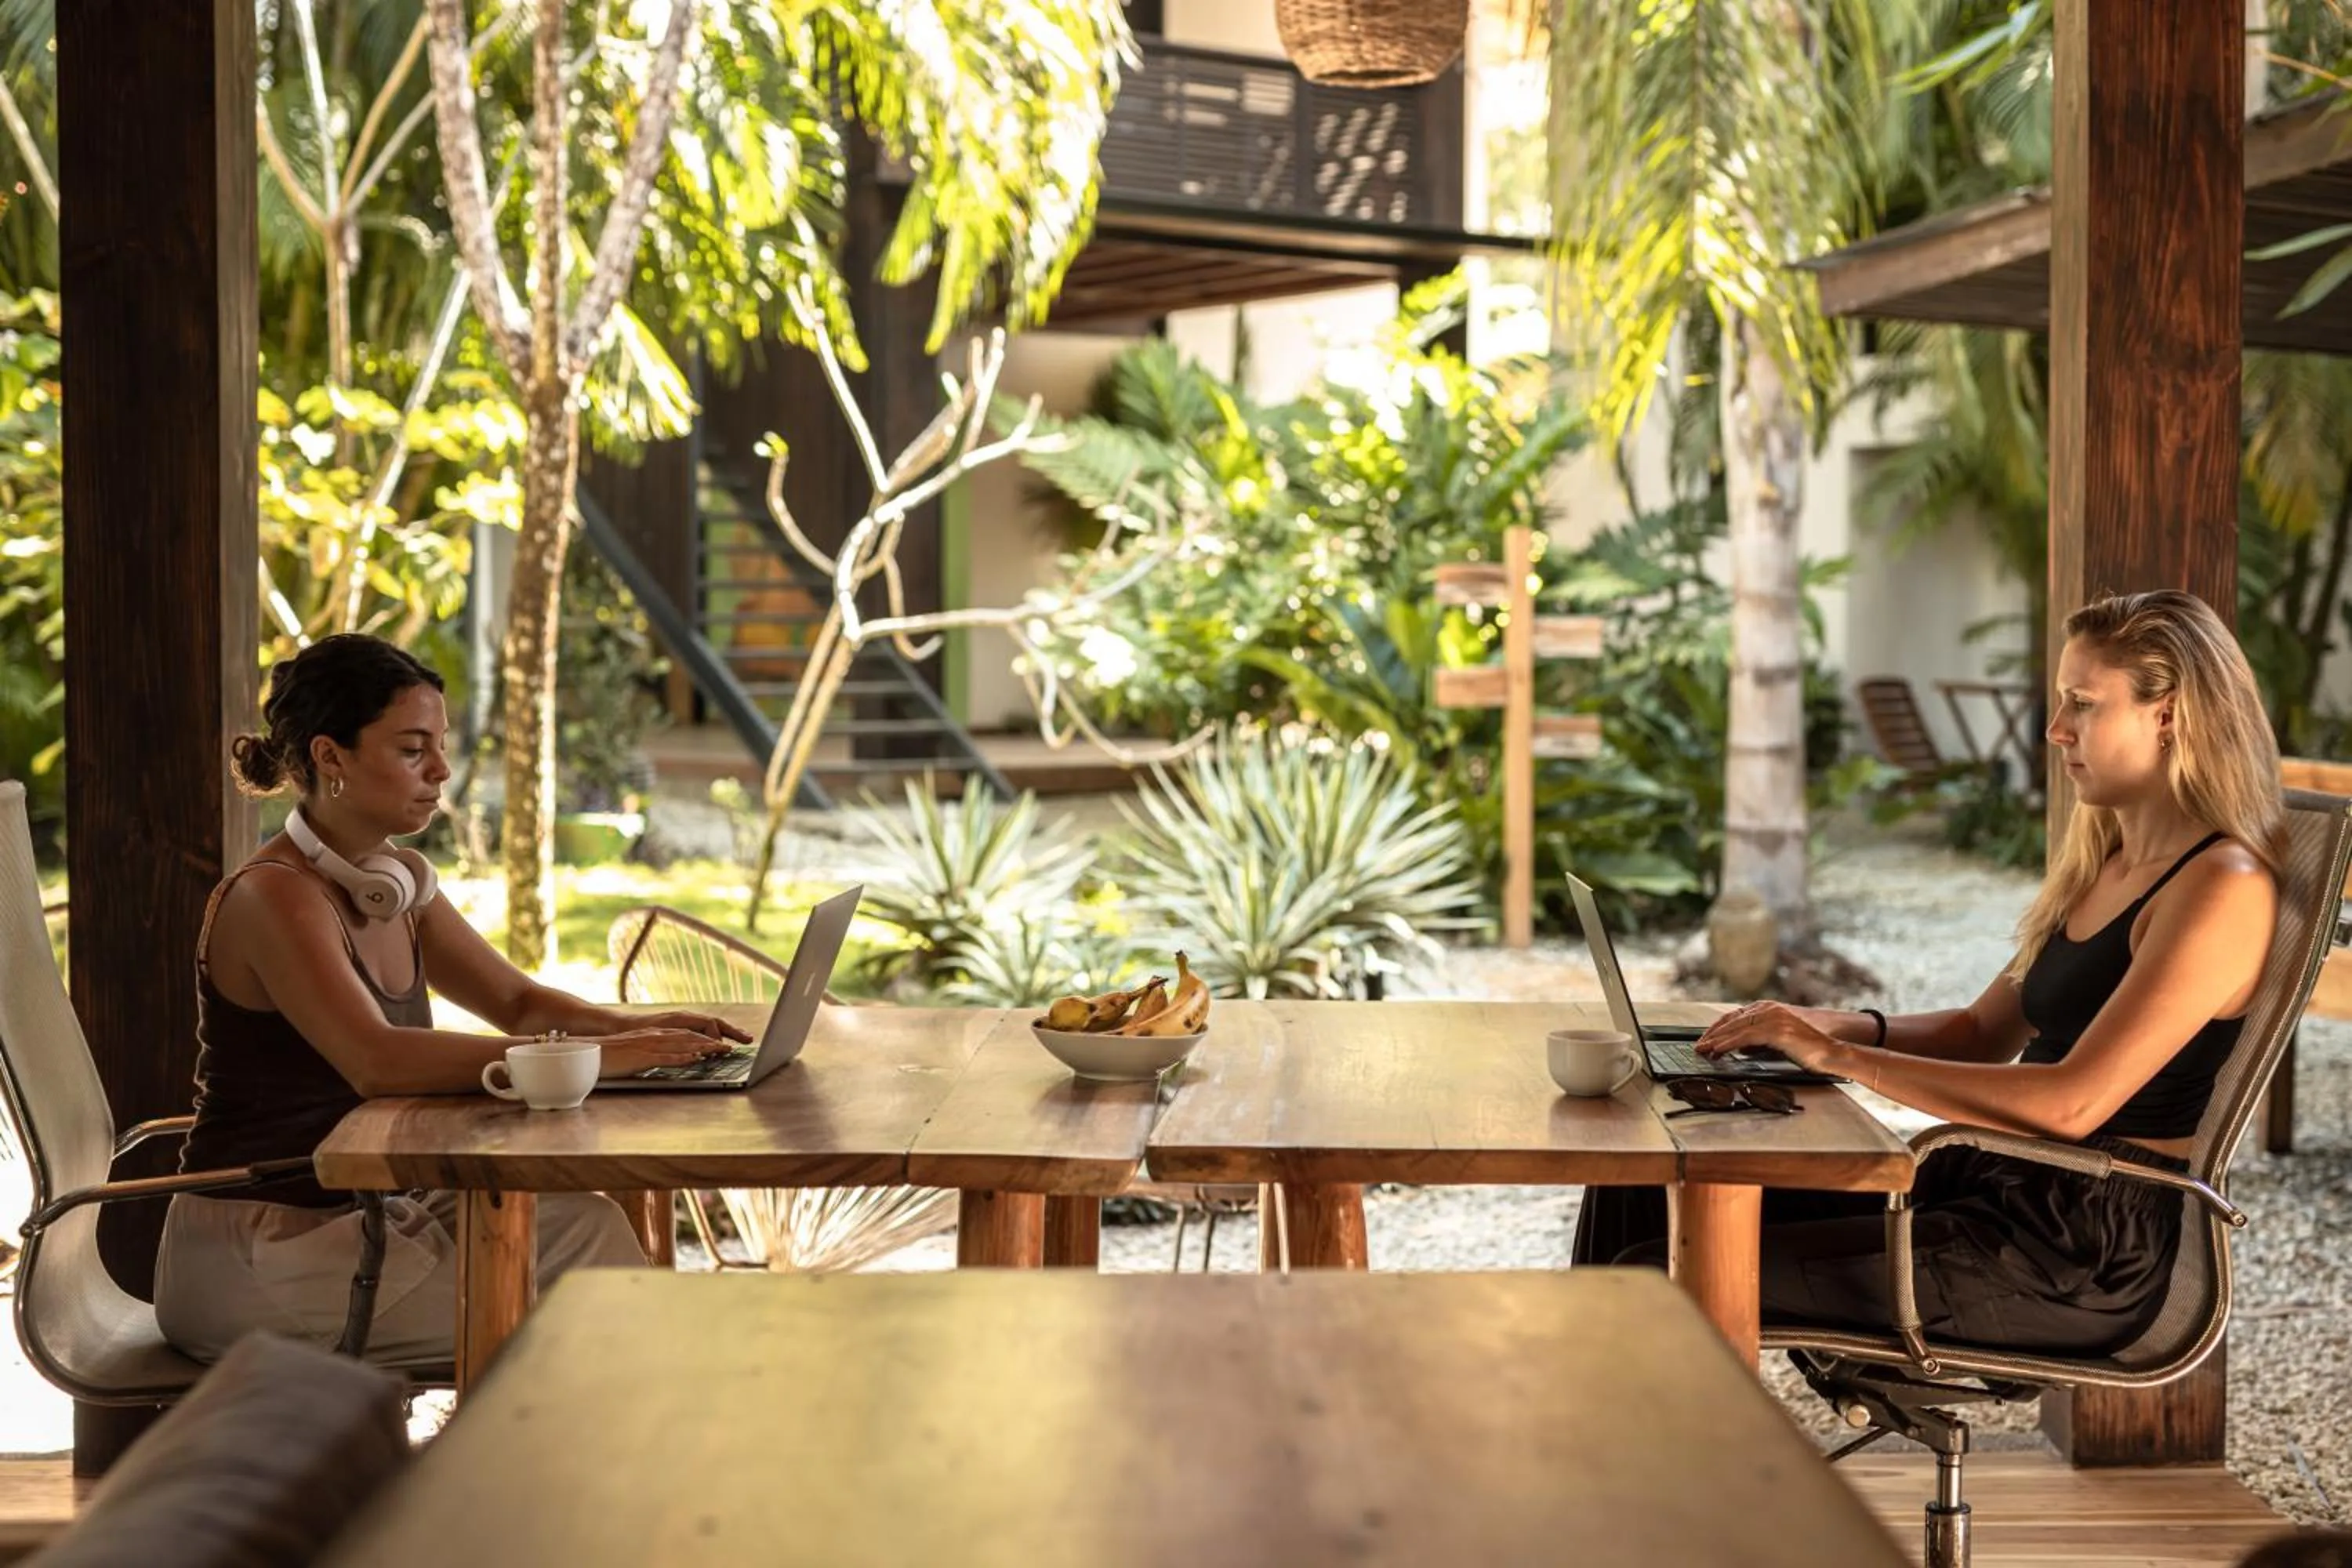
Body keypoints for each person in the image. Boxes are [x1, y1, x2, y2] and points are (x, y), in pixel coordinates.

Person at [1576, 590, 2285, 1353]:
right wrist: (1822, 1025)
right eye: (2060, 703)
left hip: (2073, 1250)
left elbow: (2075, 1102)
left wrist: (1845, 1060)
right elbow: (1981, 1031)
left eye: (2082, 704)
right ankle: (1603, 1455)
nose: (2056, 731)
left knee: (1663, 1274)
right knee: (1640, 1188)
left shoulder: (2220, 886)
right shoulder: (2105, 859)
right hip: (1990, 1187)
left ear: (2169, 715)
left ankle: (1657, 1465)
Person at [154, 634, 749, 1365]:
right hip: (265, 1251)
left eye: (440, 744)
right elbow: (377, 1060)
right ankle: (523, 1472)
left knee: (592, 1232)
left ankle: (559, 1464)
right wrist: (598, 1058)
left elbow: (519, 1002)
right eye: (412, 750)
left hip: (370, 1217)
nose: (442, 770)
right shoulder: (275, 896)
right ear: (329, 757)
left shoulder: (393, 879)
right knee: (593, 1318)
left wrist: (644, 1030)